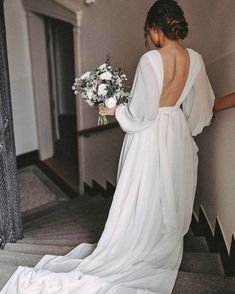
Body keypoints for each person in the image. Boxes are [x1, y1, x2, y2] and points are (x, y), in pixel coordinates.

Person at [1, 0, 217, 293]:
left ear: (155, 28)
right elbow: (203, 107)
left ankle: (137, 241)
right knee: (166, 191)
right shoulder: (196, 59)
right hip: (176, 130)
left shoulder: (150, 60)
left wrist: (115, 111)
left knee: (142, 191)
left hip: (150, 137)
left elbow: (142, 114)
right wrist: (182, 124)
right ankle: (159, 244)